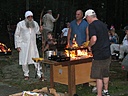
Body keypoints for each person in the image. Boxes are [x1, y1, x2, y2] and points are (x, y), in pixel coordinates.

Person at [84, 9, 111, 96]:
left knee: (98, 76)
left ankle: (99, 94)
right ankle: (106, 91)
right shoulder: (103, 24)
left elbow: (94, 39)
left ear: (88, 17)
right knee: (105, 73)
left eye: (86, 18)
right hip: (107, 52)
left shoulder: (92, 25)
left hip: (99, 54)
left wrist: (89, 45)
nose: (87, 20)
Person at [14, 11, 44, 81]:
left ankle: (39, 73)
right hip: (23, 45)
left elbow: (38, 32)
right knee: (24, 60)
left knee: (36, 58)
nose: (30, 18)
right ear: (26, 17)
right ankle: (26, 74)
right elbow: (17, 35)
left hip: (33, 45)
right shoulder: (20, 24)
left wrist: (40, 30)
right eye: (28, 17)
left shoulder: (35, 23)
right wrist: (18, 45)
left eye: (31, 17)